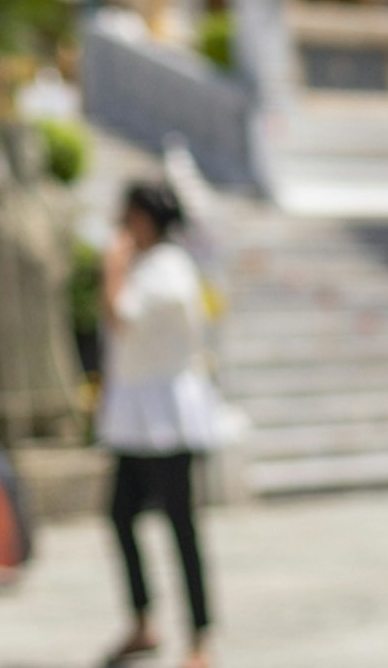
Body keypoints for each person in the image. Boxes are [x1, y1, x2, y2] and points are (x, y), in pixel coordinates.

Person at [97, 178, 220, 668]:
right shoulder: (150, 266)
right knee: (121, 515)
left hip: (168, 413)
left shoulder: (168, 271)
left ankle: (200, 638)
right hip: (134, 414)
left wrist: (112, 265)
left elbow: (119, 317)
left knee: (181, 527)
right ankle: (142, 620)